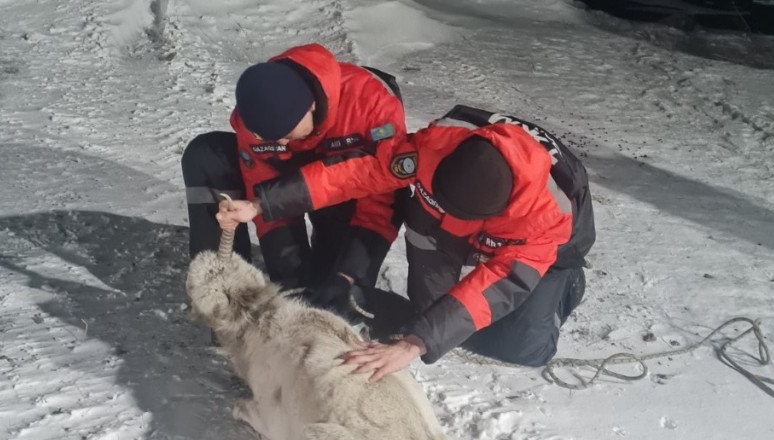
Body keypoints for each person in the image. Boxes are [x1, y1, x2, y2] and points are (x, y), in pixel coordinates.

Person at [219, 105, 596, 380]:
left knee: (524, 347)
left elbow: (500, 281)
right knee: (428, 312)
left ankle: (565, 285)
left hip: (553, 248)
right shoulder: (435, 146)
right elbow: (355, 174)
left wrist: (416, 345)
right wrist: (262, 203)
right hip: (439, 223)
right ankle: (401, 305)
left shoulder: (547, 216)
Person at [181, 43, 407, 314]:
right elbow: (265, 194)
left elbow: (381, 202)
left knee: (337, 299)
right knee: (206, 155)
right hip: (286, 192)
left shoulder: (372, 106)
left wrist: (349, 275)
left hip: (349, 195)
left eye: (286, 133)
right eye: (268, 138)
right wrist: (291, 280)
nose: (278, 142)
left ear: (311, 106)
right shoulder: (257, 118)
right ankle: (224, 304)